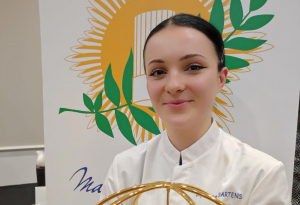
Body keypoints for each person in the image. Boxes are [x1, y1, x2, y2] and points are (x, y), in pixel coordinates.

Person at [99, 13, 291, 204]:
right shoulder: (124, 168)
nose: (173, 85)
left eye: (193, 67)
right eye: (158, 72)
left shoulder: (261, 174)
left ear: (220, 78)